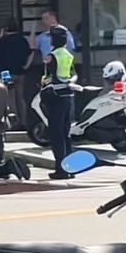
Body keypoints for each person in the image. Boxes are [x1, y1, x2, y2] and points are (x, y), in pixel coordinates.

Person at [40, 25, 78, 180]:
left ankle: (61, 170)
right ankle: (70, 169)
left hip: (55, 98)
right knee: (66, 134)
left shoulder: (52, 56)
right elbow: (74, 74)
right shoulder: (68, 55)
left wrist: (43, 84)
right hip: (68, 96)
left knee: (56, 135)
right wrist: (67, 82)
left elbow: (48, 77)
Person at [0, 18, 34, 128]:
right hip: (20, 72)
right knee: (20, 98)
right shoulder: (22, 40)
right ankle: (23, 121)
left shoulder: (3, 41)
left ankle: (14, 121)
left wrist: (0, 36)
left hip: (6, 73)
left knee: (10, 97)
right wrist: (26, 66)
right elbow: (30, 53)